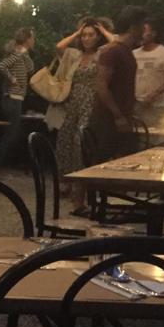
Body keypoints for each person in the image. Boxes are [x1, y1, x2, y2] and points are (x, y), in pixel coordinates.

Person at [50, 17, 115, 209]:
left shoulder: (101, 54)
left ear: (97, 37)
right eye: (84, 35)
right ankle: (66, 181)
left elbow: (116, 44)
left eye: (90, 35)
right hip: (73, 101)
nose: (86, 38)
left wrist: (103, 31)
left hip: (91, 101)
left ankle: (80, 186)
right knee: (65, 139)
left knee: (81, 141)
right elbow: (59, 47)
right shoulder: (75, 54)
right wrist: (77, 33)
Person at [89, 5, 149, 167]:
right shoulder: (113, 51)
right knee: (103, 166)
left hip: (121, 118)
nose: (144, 30)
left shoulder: (126, 51)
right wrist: (118, 115)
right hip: (108, 121)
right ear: (132, 27)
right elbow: (101, 85)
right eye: (142, 25)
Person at [0, 27, 35, 164]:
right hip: (12, 97)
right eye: (32, 38)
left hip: (17, 97)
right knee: (12, 132)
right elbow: (1, 66)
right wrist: (12, 78)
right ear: (27, 39)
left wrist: (25, 54)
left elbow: (30, 68)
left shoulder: (22, 54)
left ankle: (1, 161)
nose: (33, 41)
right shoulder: (15, 55)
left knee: (13, 131)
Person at [133, 18, 164, 128]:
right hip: (136, 103)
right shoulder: (133, 53)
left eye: (144, 31)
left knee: (155, 133)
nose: (141, 34)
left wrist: (155, 93)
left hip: (157, 106)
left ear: (153, 34)